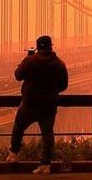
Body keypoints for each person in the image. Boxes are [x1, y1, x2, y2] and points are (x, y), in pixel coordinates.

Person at [7, 35, 68, 175]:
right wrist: (51, 92)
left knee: (18, 127)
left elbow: (18, 75)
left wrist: (26, 59)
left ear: (38, 47)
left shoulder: (30, 61)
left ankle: (13, 154)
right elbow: (64, 85)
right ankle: (45, 165)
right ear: (51, 46)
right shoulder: (59, 63)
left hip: (29, 103)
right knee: (47, 134)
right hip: (49, 106)